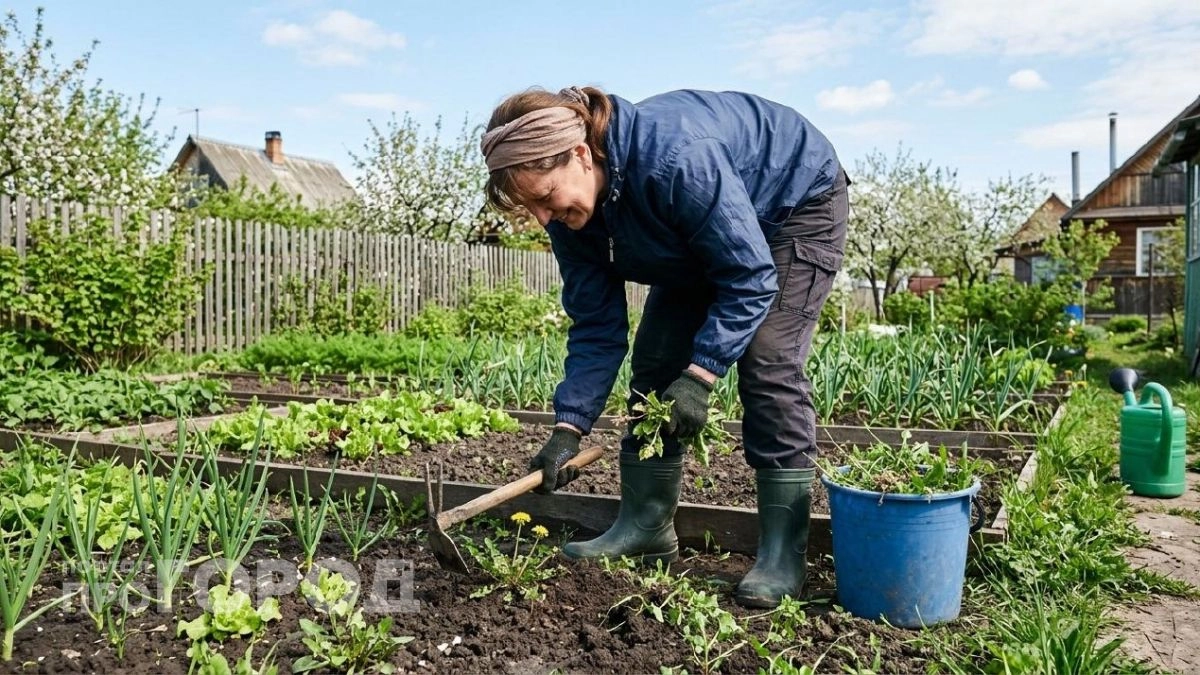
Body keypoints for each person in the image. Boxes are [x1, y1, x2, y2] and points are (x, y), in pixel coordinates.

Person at [480, 85, 848, 609]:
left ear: (580, 154)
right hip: (696, 231)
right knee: (655, 362)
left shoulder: (676, 158)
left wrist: (700, 377)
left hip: (793, 204)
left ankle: (782, 554)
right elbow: (596, 326)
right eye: (530, 206)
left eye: (545, 197)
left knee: (769, 364)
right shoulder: (573, 217)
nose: (543, 217)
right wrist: (568, 428)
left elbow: (749, 276)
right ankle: (646, 528)